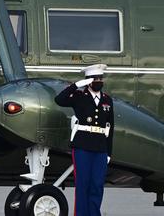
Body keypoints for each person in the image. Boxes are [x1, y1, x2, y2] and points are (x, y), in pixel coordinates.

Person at [54, 64, 114, 216]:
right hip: (82, 146)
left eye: (101, 78)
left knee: (97, 185)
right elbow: (59, 100)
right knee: (83, 185)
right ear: (88, 81)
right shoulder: (79, 96)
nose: (99, 81)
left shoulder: (107, 100)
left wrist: (108, 152)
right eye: (95, 79)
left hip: (100, 147)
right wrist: (74, 86)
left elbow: (110, 127)